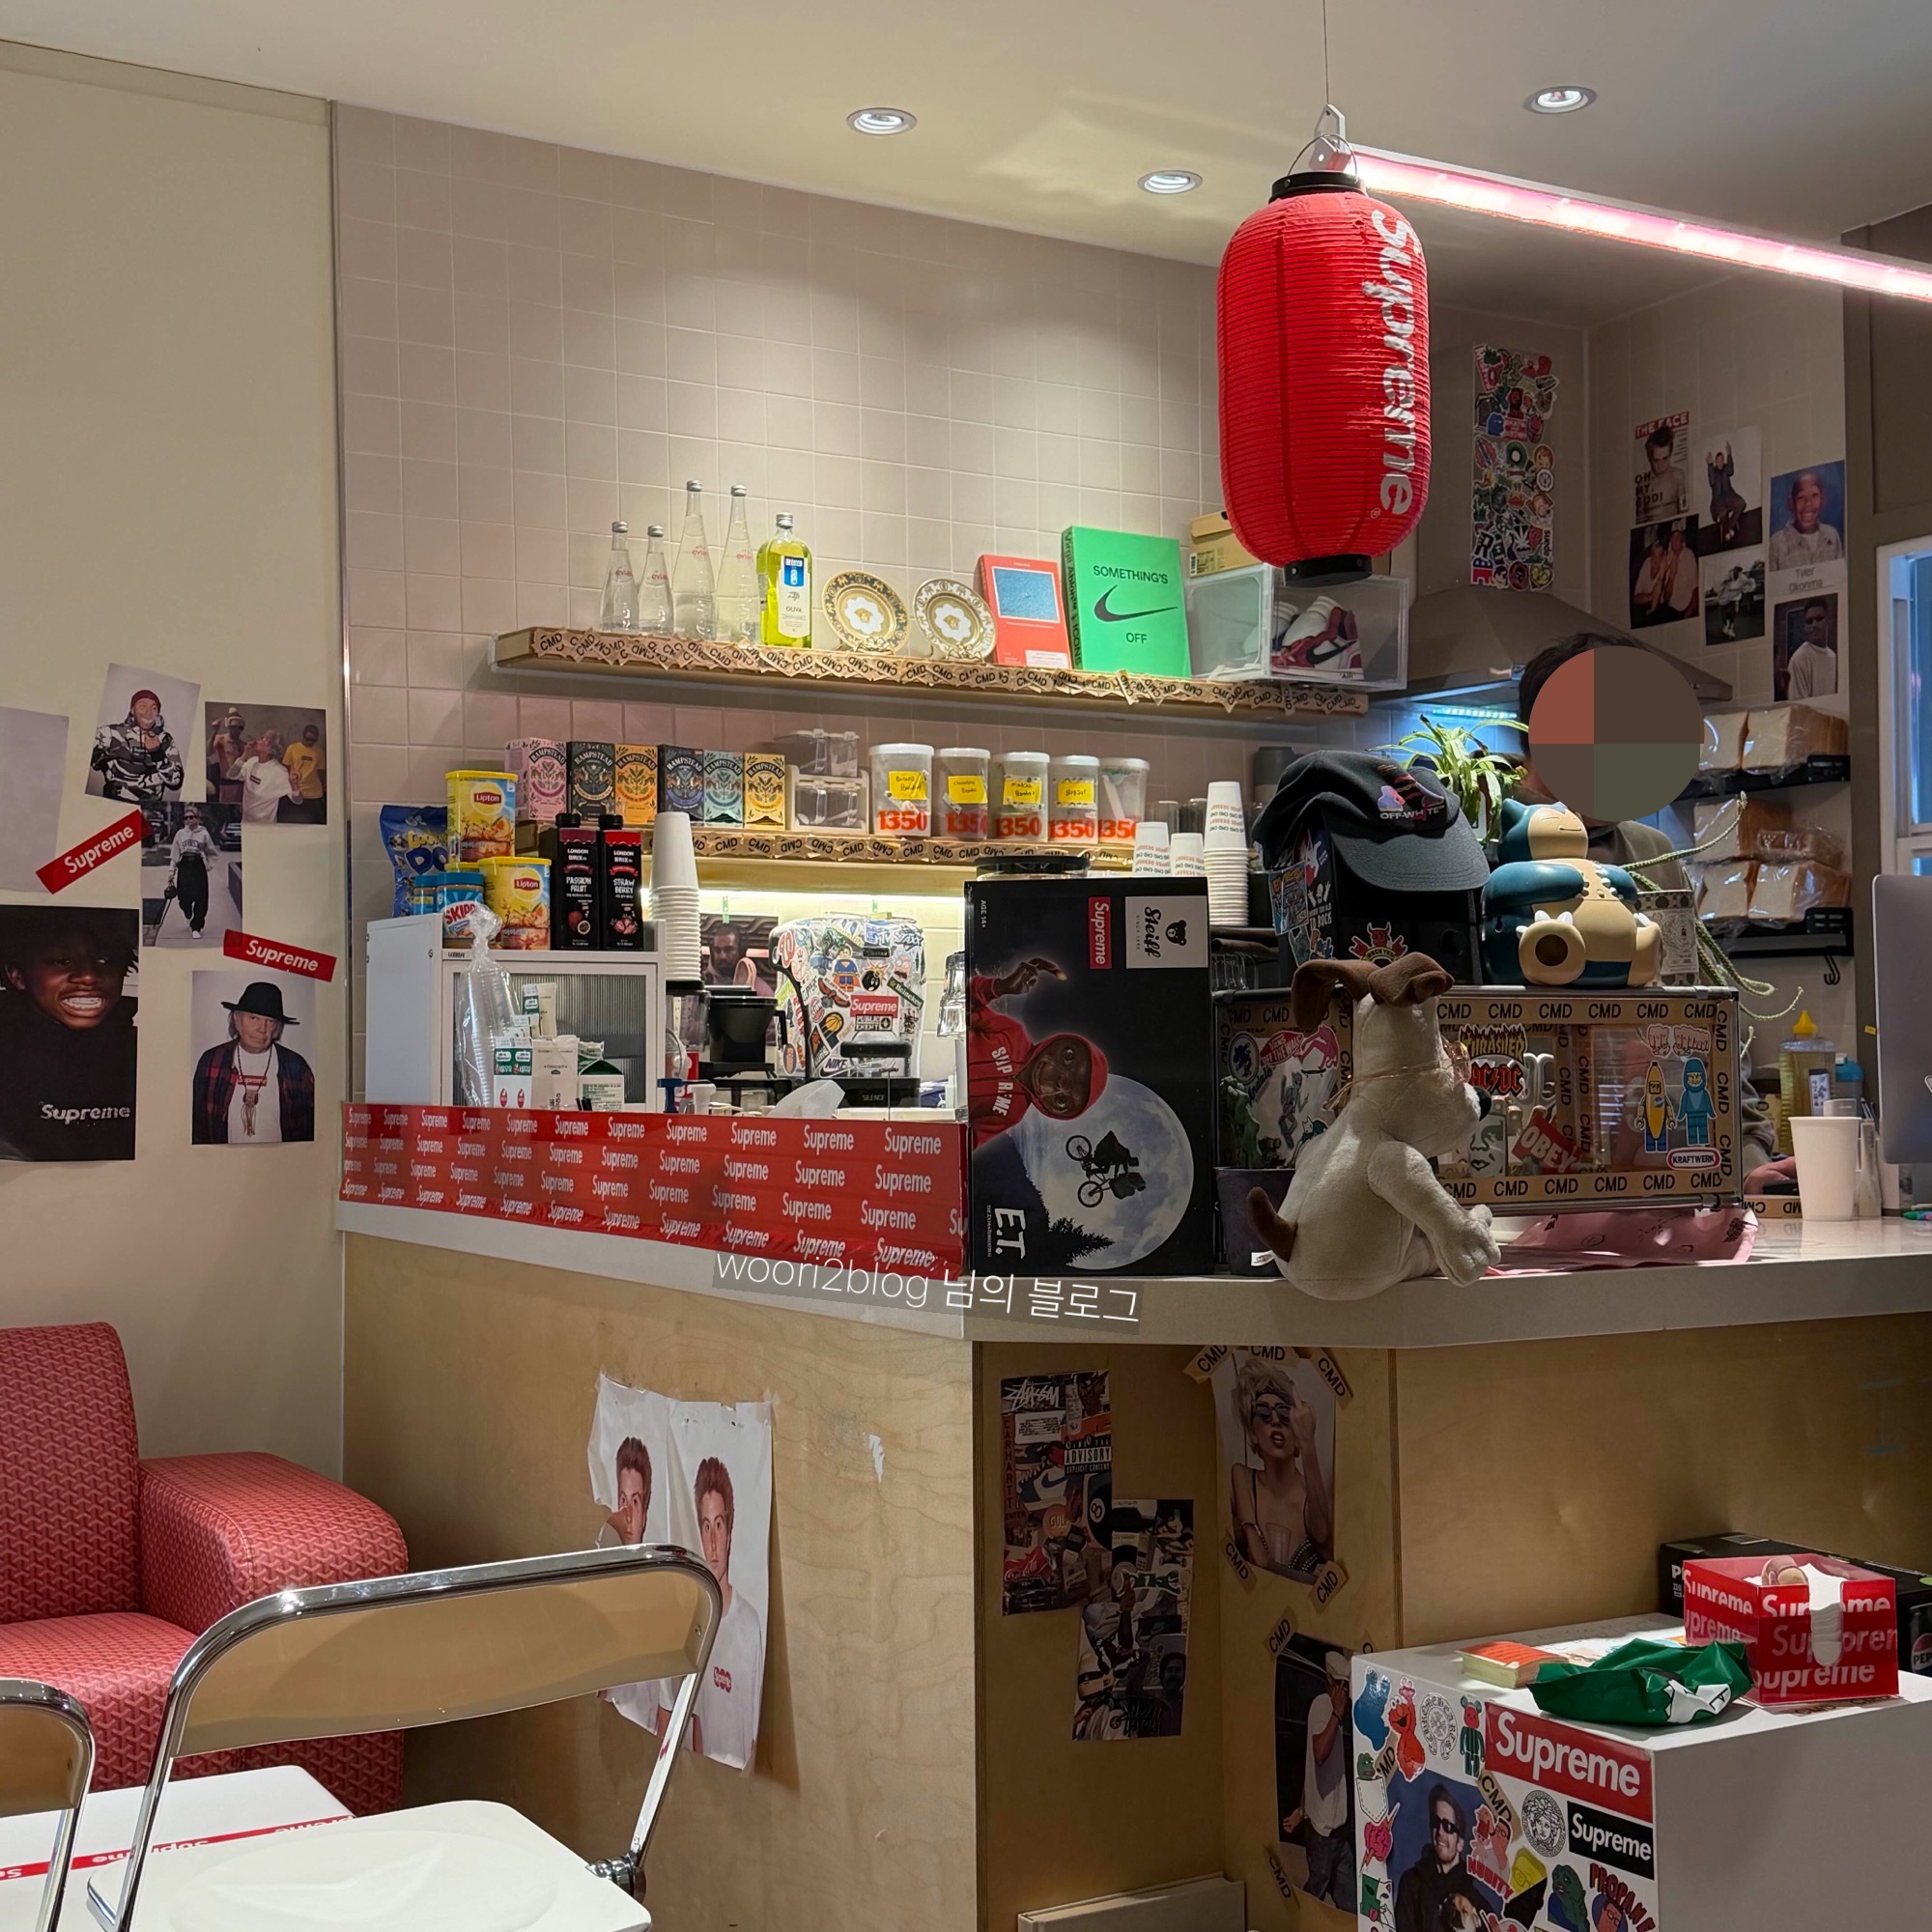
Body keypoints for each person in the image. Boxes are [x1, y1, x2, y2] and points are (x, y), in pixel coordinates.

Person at [1517, 634, 1776, 1174]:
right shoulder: (1485, 848)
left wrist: (1748, 1151)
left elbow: (1703, 1012)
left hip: (1660, 1156)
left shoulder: (1651, 852)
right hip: (1527, 1160)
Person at [0, 908, 138, 1162]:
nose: (89, 976)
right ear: (17, 976)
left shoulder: (146, 1048)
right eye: (63, 961)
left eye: (105, 959)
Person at [663, 1455, 763, 1768]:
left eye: (719, 1525)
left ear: (730, 1531)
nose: (713, 1542)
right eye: (706, 1527)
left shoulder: (750, 1627)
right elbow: (696, 1727)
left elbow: (758, 1739)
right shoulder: (697, 1623)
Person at [966, 956, 1107, 1146]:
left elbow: (964, 1143)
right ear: (1060, 1041)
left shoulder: (1012, 1114)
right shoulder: (1013, 1034)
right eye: (1068, 1057)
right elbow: (960, 1005)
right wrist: (999, 987)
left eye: (1063, 1100)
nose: (1060, 1082)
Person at [1228, 1355, 1332, 1577]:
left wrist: (1308, 1444)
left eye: (1285, 1415)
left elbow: (1323, 1537)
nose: (1275, 1421)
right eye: (1264, 1413)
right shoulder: (1243, 1477)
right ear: (1253, 1434)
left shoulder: (1307, 1498)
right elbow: (1258, 1559)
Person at [190, 980, 315, 1144]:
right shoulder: (211, 1061)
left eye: (270, 1021)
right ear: (237, 1019)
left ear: (277, 1027)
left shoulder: (296, 1067)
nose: (262, 1029)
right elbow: (197, 1127)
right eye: (253, 1018)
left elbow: (310, 1130)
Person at [1291, 1651, 1355, 1908]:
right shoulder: (1322, 1706)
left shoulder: (1342, 1711)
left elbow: (1312, 1772)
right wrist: (1336, 1715)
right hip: (1323, 1831)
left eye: (1346, 1685)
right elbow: (1318, 1754)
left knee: (1349, 1899)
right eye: (1339, 1684)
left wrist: (1301, 1808)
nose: (1343, 1690)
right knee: (1316, 1889)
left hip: (1339, 1826)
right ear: (1328, 1680)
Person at [1394, 1785, 1480, 1932]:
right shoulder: (1411, 1882)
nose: (1440, 1832)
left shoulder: (1475, 1899)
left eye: (1447, 1826)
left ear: (1460, 1843)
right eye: (1436, 1823)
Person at [92, 688, 183, 803]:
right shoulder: (110, 733)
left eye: (154, 708)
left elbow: (176, 782)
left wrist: (157, 754)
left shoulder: (165, 740)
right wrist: (97, 759)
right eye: (142, 706)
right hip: (114, 802)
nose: (148, 713)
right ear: (132, 710)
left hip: (148, 806)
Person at [1768, 469, 1843, 570]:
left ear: (1822, 500)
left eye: (1814, 496)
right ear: (1791, 504)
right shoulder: (1777, 543)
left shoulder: (1832, 536)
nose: (1808, 503)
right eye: (1801, 497)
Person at [167, 805, 220, 937]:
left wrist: (208, 866)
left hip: (198, 866)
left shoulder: (204, 833)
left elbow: (212, 852)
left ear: (197, 819)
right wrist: (171, 872)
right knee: (183, 897)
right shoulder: (180, 834)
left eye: (191, 817)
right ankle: (187, 912)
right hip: (184, 865)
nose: (188, 820)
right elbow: (174, 854)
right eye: (186, 818)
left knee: (201, 897)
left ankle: (196, 927)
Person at [236, 731, 298, 824]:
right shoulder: (252, 762)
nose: (257, 740)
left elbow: (297, 800)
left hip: (266, 825)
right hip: (246, 822)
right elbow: (231, 775)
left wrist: (294, 785)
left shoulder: (279, 771)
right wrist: (244, 756)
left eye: (263, 739)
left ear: (270, 749)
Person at [1783, 597, 1838, 697]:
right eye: (1809, 621)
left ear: (1828, 620)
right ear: (1805, 627)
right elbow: (1797, 703)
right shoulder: (1799, 659)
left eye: (1819, 618)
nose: (1814, 625)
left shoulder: (1834, 657)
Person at [1634, 424, 1687, 522]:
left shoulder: (1678, 475)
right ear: (1650, 459)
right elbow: (1640, 518)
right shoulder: (1643, 484)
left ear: (1670, 455)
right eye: (1656, 460)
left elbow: (1684, 511)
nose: (1660, 465)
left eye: (1664, 459)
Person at [280, 722, 327, 822]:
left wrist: (324, 786)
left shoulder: (319, 752)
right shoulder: (292, 748)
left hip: (314, 793)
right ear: (303, 736)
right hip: (296, 790)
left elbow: (321, 771)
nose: (310, 742)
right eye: (308, 739)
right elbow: (285, 768)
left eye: (313, 740)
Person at [208, 708, 247, 803]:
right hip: (226, 783)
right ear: (229, 727)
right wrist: (214, 732)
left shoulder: (243, 745)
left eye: (239, 728)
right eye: (233, 727)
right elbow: (208, 752)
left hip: (241, 783)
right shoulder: (221, 739)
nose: (236, 730)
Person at [1630, 532, 1669, 622]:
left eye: (1659, 557)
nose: (1656, 561)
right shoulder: (1646, 563)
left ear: (1663, 557)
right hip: (1642, 607)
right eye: (1654, 556)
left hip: (1657, 609)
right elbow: (1635, 599)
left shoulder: (1665, 567)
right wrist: (1651, 596)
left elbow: (1656, 605)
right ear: (1650, 556)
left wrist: (1661, 576)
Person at [1662, 521, 1698, 619]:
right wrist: (1672, 576)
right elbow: (1666, 597)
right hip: (1670, 609)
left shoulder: (1689, 555)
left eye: (1678, 537)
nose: (1675, 540)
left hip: (1685, 609)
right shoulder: (1667, 558)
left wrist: (1687, 614)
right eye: (1673, 537)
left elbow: (1695, 589)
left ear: (1682, 539)